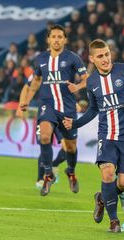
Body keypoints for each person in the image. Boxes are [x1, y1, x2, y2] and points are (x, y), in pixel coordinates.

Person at [62, 39, 124, 232]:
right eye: (100, 56)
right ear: (92, 59)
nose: (105, 59)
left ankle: (102, 197)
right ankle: (114, 221)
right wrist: (74, 123)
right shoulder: (91, 81)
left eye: (107, 54)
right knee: (108, 173)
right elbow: (93, 110)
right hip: (107, 135)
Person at [20, 24, 88, 196]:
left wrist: (78, 86)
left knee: (70, 148)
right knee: (44, 136)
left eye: (60, 37)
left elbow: (87, 79)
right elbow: (35, 81)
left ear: (65, 40)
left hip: (67, 107)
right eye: (54, 37)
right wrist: (26, 101)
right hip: (47, 105)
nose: (56, 39)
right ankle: (48, 174)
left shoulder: (73, 58)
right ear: (48, 39)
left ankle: (71, 171)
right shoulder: (41, 59)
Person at [16, 74, 70, 189]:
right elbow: (27, 86)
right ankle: (40, 179)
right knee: (45, 144)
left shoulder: (64, 66)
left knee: (68, 148)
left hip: (61, 114)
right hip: (45, 114)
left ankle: (54, 166)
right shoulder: (41, 67)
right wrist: (20, 106)